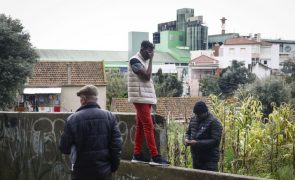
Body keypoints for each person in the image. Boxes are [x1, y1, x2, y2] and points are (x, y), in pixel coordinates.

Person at [59, 85, 122, 180]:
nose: (80, 101)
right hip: (104, 172)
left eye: (80, 99)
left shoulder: (72, 119)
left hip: (81, 173)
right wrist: (112, 168)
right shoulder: (110, 117)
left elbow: (64, 148)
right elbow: (117, 146)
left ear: (84, 99)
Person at [128, 40, 169, 166]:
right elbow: (146, 77)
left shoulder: (141, 62)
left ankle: (137, 154)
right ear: (142, 49)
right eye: (149, 52)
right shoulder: (134, 61)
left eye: (152, 52)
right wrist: (151, 60)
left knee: (141, 126)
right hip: (140, 98)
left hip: (145, 98)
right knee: (148, 125)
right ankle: (155, 156)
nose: (151, 54)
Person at [185, 101, 223, 171]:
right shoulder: (193, 119)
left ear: (205, 112)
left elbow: (215, 141)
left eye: (199, 114)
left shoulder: (214, 122)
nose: (197, 116)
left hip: (209, 160)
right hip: (196, 158)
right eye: (196, 114)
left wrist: (197, 143)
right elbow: (188, 132)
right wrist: (187, 139)